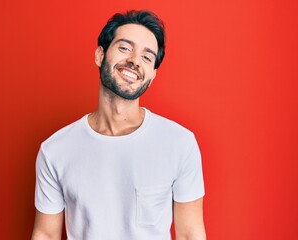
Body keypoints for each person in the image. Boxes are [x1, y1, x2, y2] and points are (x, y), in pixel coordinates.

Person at [31, 10, 206, 240]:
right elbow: (46, 235)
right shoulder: (55, 150)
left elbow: (190, 235)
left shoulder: (179, 143)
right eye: (125, 48)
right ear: (99, 55)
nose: (134, 60)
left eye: (147, 57)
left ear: (152, 75)